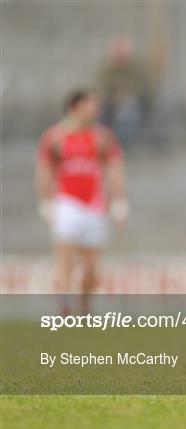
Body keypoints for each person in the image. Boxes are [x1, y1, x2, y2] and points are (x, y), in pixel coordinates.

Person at [36, 88, 129, 314]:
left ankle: (84, 305)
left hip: (94, 206)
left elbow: (114, 169)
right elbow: (45, 170)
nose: (95, 109)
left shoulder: (103, 137)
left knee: (91, 269)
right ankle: (64, 308)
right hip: (67, 203)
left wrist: (118, 201)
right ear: (74, 107)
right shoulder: (55, 137)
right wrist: (45, 201)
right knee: (65, 261)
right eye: (90, 104)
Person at [96, 34, 152, 149]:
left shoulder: (137, 68)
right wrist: (112, 98)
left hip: (130, 103)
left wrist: (125, 98)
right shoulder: (105, 68)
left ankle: (118, 147)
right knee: (99, 110)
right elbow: (101, 88)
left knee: (128, 113)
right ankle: (102, 143)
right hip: (110, 102)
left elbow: (141, 89)